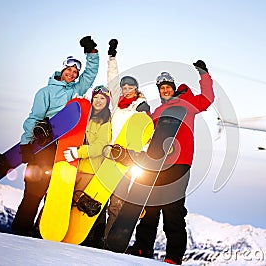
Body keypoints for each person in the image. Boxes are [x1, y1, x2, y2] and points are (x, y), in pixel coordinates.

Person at [126, 60, 215, 265]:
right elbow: (149, 132)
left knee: (173, 209)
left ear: (173, 89)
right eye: (162, 88)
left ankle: (174, 256)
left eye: (168, 87)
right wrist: (144, 112)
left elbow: (208, 99)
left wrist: (204, 75)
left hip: (179, 163)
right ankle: (142, 248)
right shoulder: (158, 111)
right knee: (150, 207)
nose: (165, 90)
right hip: (156, 164)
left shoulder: (188, 103)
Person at [11, 36, 100, 236]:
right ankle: (19, 231)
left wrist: (91, 53)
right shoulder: (46, 92)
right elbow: (34, 117)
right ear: (62, 70)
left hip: (65, 145)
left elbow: (90, 74)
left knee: (54, 192)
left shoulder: (76, 89)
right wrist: (26, 143)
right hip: (45, 144)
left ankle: (40, 231)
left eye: (75, 72)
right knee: (34, 191)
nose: (72, 73)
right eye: (69, 70)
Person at [103, 42, 151, 240]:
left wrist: (142, 152)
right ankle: (94, 236)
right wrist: (112, 58)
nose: (126, 90)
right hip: (107, 155)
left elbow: (147, 131)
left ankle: (108, 240)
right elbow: (112, 80)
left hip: (125, 159)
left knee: (117, 201)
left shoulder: (141, 107)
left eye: (131, 87)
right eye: (124, 87)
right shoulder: (118, 105)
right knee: (100, 196)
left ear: (136, 89)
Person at [63, 85, 112, 248]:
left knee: (78, 203)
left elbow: (100, 146)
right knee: (62, 198)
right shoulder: (85, 116)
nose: (98, 101)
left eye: (102, 99)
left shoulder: (106, 123)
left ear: (107, 102)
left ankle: (77, 239)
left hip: (89, 169)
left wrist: (79, 152)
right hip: (73, 166)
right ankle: (51, 228)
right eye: (96, 98)